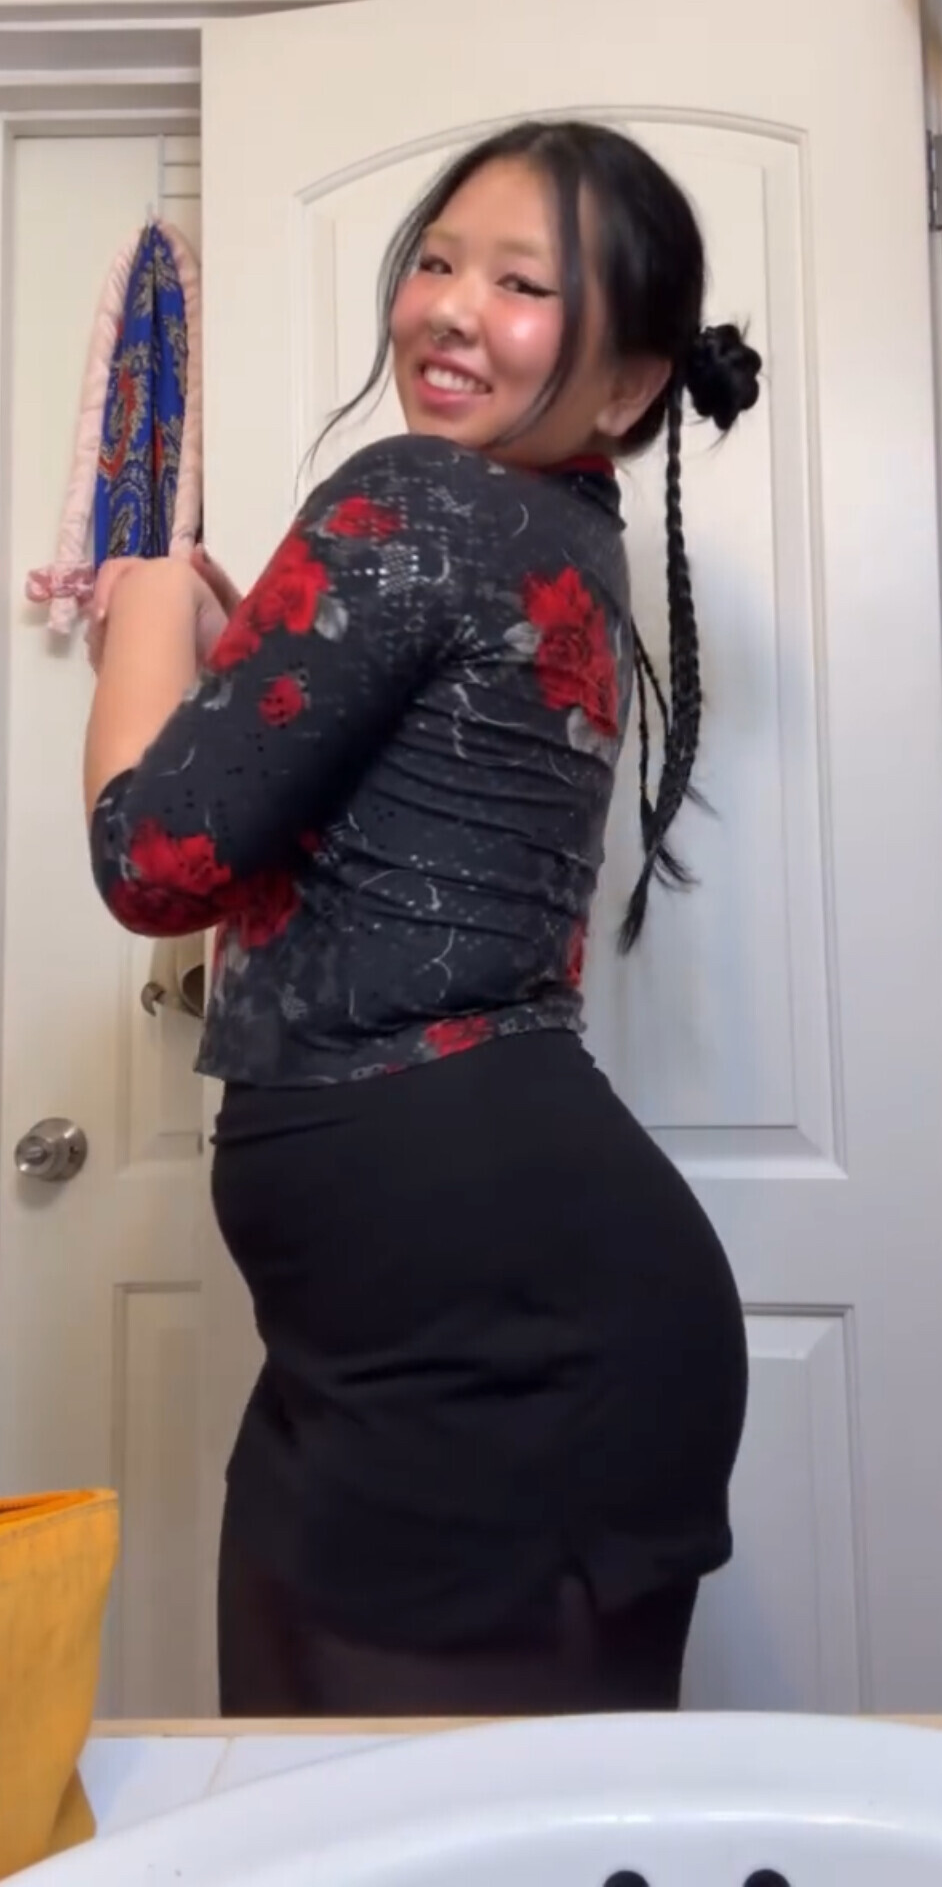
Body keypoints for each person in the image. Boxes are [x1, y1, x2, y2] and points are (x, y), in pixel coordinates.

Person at [84, 120, 761, 1718]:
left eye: (522, 283)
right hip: (471, 1320)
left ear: (628, 385)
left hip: (493, 1333)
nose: (449, 306)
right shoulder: (550, 531)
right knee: (396, 1801)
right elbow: (369, 832)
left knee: (391, 1812)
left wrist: (142, 612)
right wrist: (242, 658)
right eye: (440, 260)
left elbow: (150, 861)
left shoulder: (422, 501)